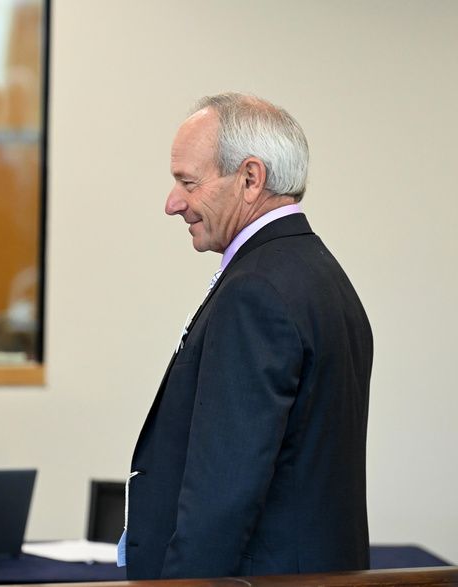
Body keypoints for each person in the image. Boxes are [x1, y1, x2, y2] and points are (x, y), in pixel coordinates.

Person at [124, 93, 373, 579]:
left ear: (251, 178)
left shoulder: (256, 292)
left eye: (187, 183)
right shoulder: (318, 274)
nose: (173, 203)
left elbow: (223, 490)